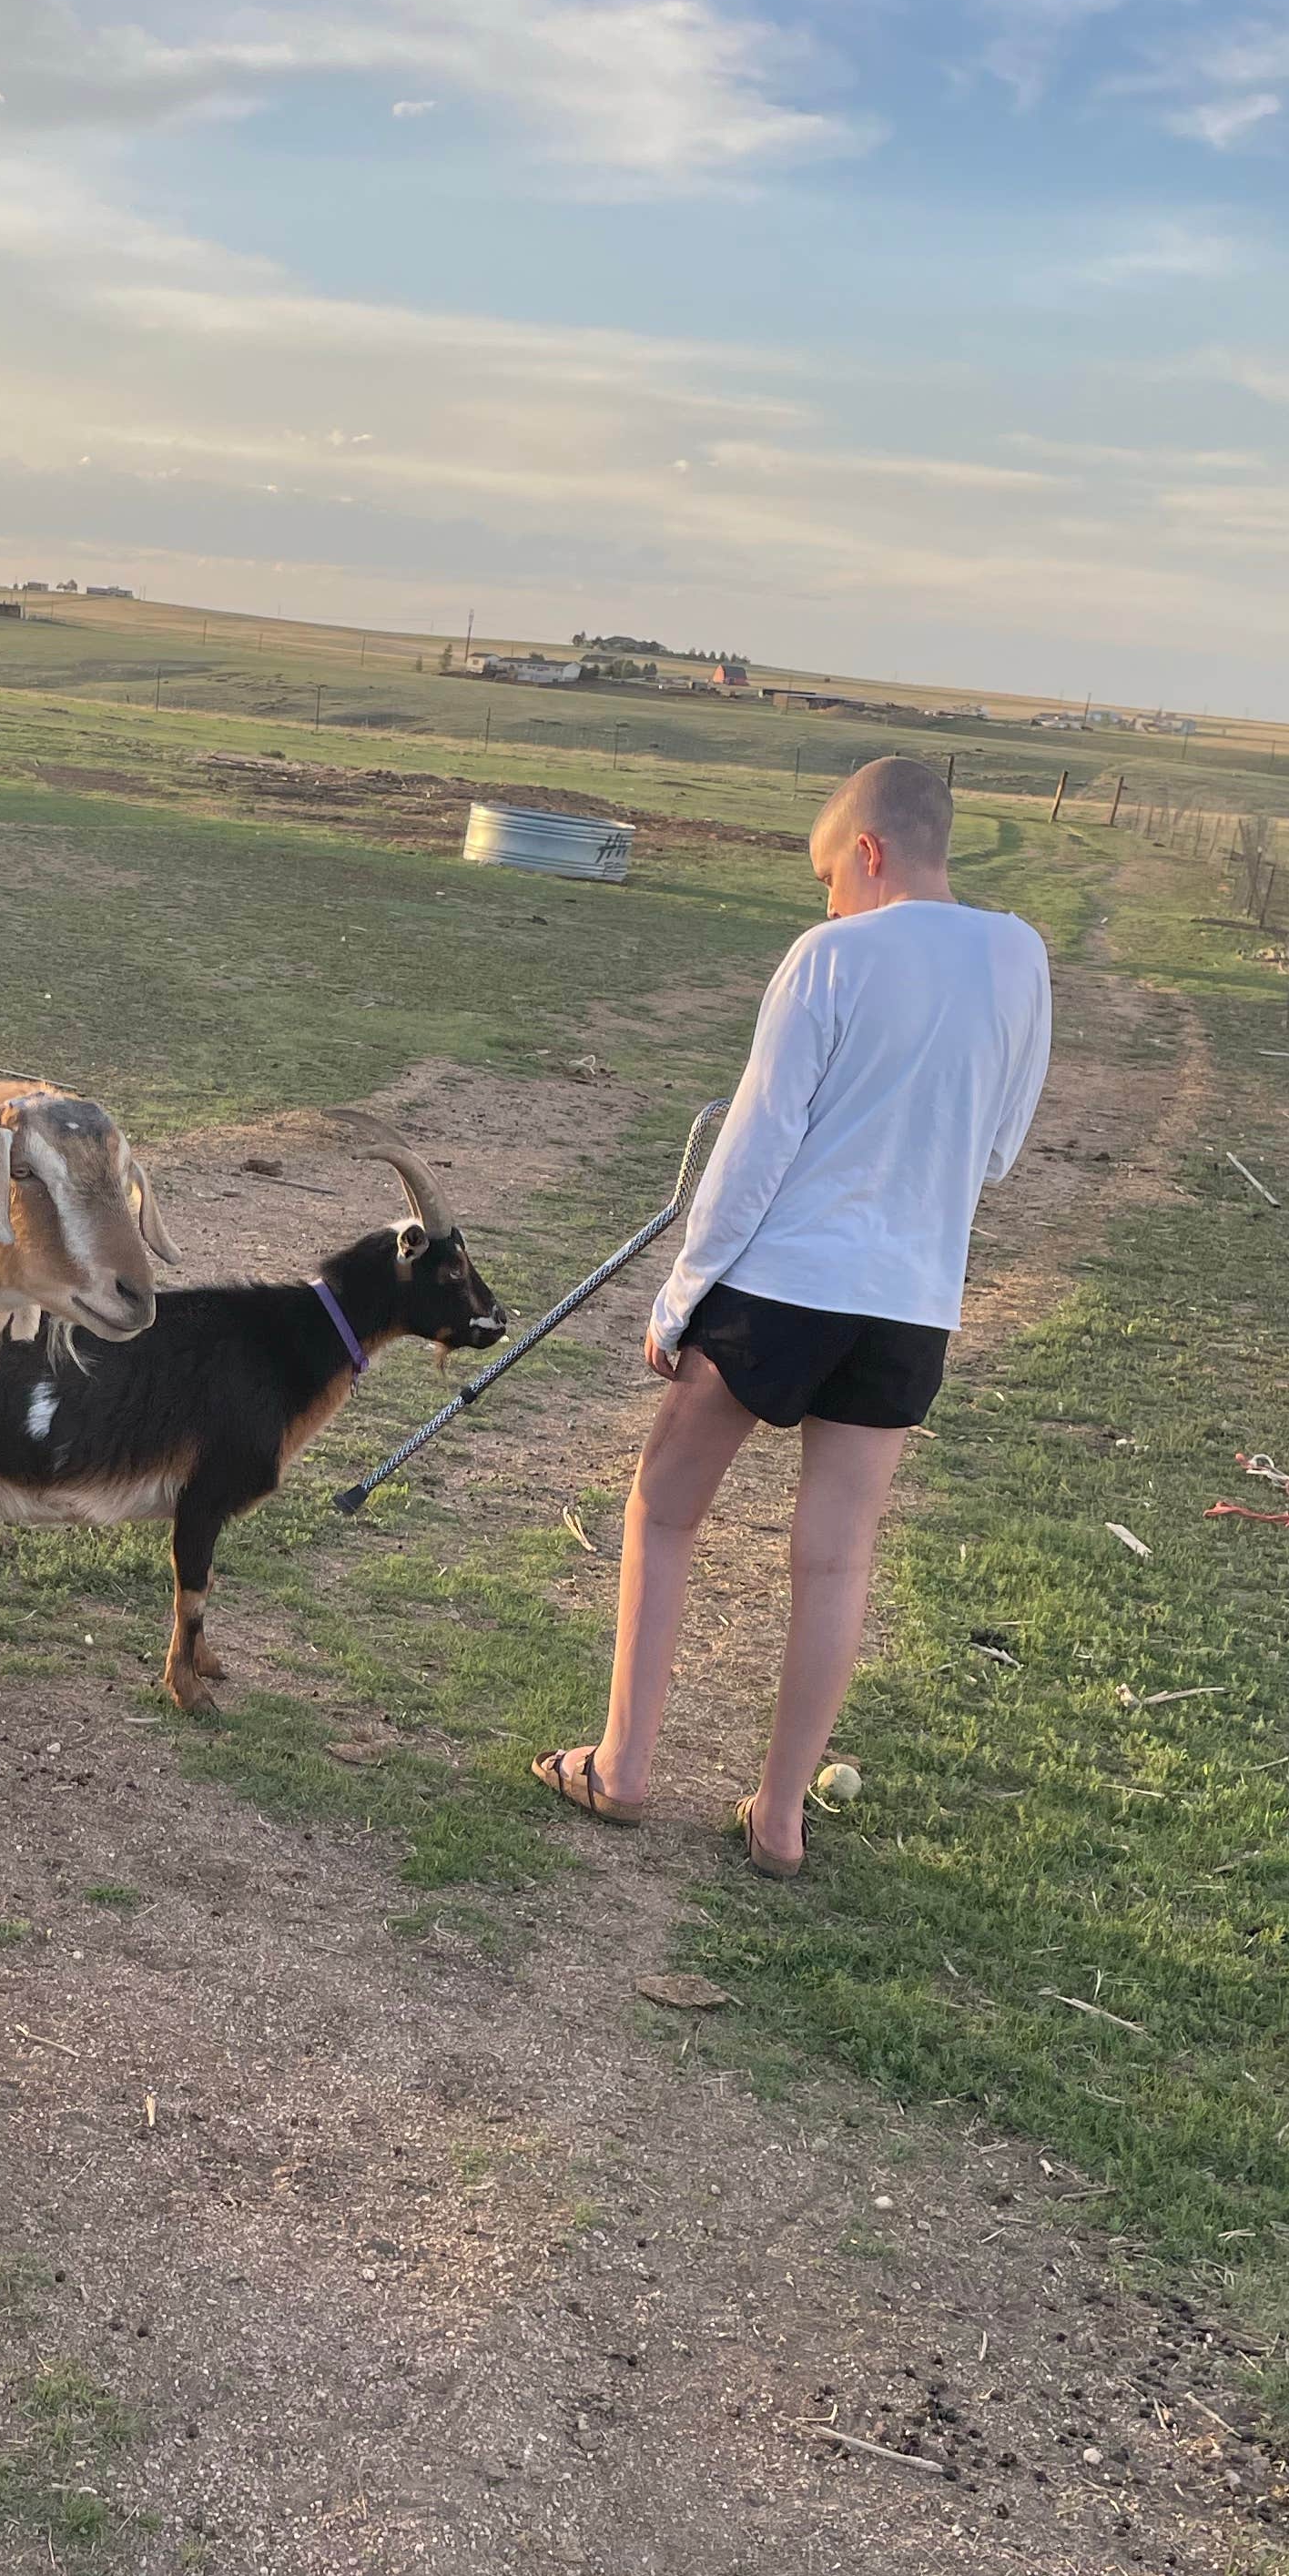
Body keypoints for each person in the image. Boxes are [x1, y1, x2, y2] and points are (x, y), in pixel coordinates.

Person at [532, 753, 1050, 1876]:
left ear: (868, 853)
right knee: (837, 1558)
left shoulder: (830, 956)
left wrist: (676, 1302)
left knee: (664, 1511)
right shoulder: (1022, 955)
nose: (825, 901)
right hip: (914, 1303)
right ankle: (779, 1820)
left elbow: (753, 1150)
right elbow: (999, 1149)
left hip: (783, 1288)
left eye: (828, 876)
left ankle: (622, 1768)